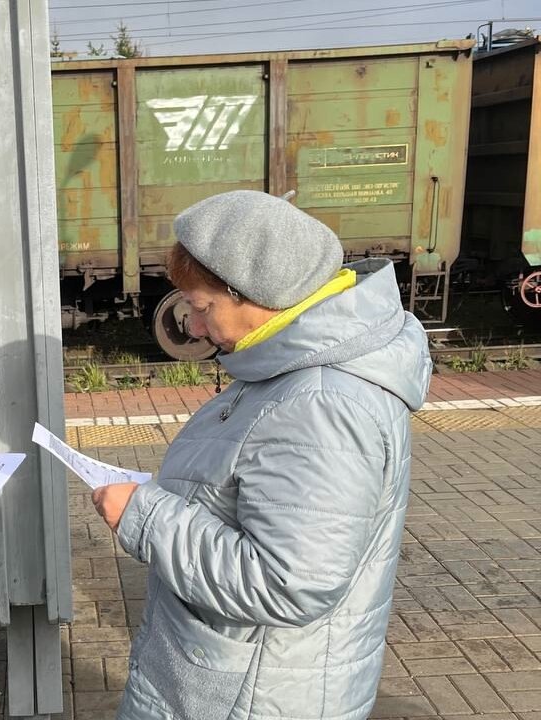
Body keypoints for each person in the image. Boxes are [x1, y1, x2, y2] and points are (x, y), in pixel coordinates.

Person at [92, 190, 431, 719]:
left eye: (202, 307)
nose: (195, 328)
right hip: (246, 681)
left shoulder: (322, 405)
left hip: (254, 697)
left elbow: (286, 582)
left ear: (255, 293)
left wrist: (143, 514)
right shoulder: (290, 368)